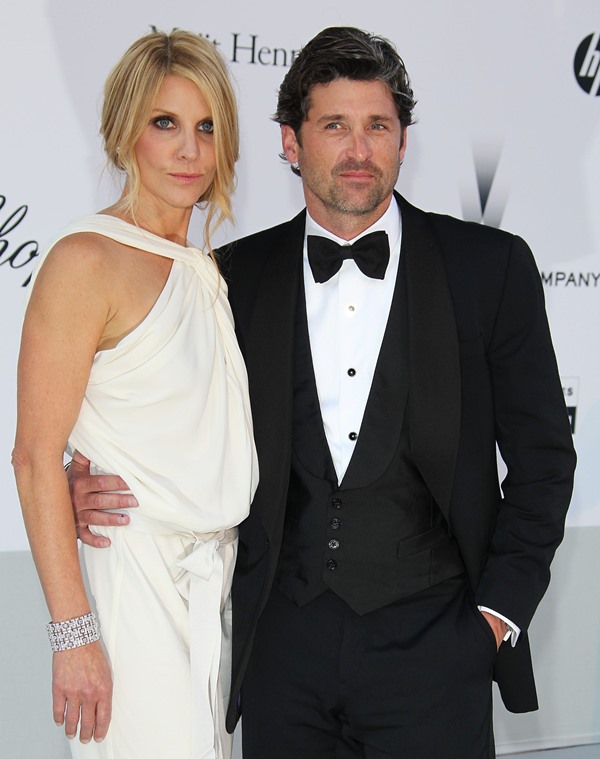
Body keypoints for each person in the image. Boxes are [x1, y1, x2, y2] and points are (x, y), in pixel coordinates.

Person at [70, 26, 576, 759]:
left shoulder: (487, 268)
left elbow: (544, 461)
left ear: (403, 140)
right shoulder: (228, 277)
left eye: (378, 126)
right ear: (290, 142)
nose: (359, 149)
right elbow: (162, 419)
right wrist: (83, 478)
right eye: (335, 125)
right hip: (281, 657)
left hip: (437, 652)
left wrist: (495, 617)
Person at [12, 29, 257, 759]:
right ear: (125, 133)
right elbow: (33, 456)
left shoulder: (204, 268)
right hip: (135, 586)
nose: (189, 150)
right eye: (166, 123)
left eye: (206, 127)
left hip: (214, 588)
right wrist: (74, 634)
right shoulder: (85, 260)